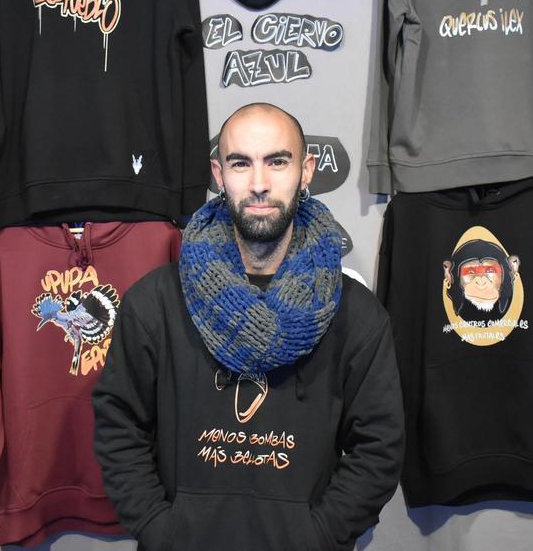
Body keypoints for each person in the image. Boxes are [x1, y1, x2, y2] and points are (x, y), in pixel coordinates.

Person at [93, 102, 404, 551]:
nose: (259, 183)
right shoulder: (154, 303)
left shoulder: (356, 314)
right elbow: (118, 425)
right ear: (219, 175)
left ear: (306, 171)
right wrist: (161, 530)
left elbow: (379, 447)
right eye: (241, 163)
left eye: (277, 161)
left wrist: (318, 535)